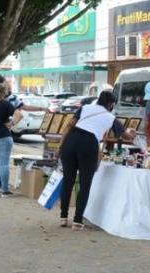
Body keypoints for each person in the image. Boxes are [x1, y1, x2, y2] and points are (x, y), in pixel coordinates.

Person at [58, 90, 136, 230]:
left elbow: (69, 125)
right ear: (111, 104)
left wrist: (61, 145)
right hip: (89, 144)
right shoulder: (110, 117)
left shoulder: (85, 108)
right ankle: (77, 221)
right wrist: (131, 132)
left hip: (71, 141)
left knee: (68, 180)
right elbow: (126, 136)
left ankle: (63, 217)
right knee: (85, 183)